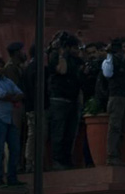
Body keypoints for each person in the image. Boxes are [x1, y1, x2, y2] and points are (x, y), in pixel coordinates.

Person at [0, 57, 25, 187]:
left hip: (9, 119)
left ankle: (12, 178)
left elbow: (20, 93)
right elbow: (2, 95)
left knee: (15, 149)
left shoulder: (7, 81)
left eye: (1, 66)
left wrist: (11, 98)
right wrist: (13, 98)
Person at [47, 31, 84, 170]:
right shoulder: (56, 56)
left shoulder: (77, 60)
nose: (77, 51)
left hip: (72, 100)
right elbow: (62, 70)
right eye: (74, 48)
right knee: (59, 132)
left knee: (70, 133)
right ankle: (57, 160)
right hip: (59, 99)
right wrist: (61, 53)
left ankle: (67, 160)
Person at [101, 37, 125, 166]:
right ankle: (112, 156)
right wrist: (109, 54)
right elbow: (108, 74)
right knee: (115, 127)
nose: (124, 50)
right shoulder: (110, 60)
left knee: (122, 128)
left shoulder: (124, 61)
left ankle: (117, 155)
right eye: (123, 46)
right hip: (116, 97)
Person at [22, 44, 49, 173]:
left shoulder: (29, 68)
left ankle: (32, 161)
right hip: (36, 107)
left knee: (34, 135)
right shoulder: (35, 68)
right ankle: (32, 162)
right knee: (36, 135)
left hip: (32, 106)